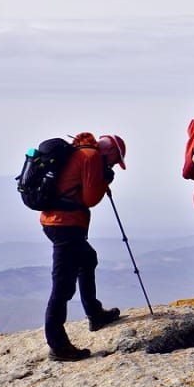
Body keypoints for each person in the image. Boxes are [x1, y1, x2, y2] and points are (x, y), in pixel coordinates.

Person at [39, 133, 126, 362]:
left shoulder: (80, 152)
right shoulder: (91, 156)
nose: (113, 165)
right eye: (115, 160)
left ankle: (95, 313)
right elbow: (90, 199)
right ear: (110, 151)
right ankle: (58, 345)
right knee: (62, 286)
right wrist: (104, 179)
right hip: (65, 224)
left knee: (87, 258)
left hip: (57, 222)